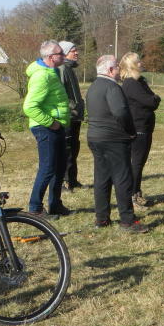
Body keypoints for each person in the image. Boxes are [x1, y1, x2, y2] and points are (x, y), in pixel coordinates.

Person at [86, 55, 148, 233]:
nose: (120, 71)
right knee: (122, 178)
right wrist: (130, 130)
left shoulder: (93, 87)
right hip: (113, 138)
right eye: (117, 68)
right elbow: (120, 111)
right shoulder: (112, 87)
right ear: (110, 70)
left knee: (102, 178)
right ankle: (127, 220)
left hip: (95, 137)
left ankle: (101, 218)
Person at [23, 40, 71, 219]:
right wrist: (51, 123)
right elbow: (30, 107)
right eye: (61, 53)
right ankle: (35, 208)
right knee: (48, 167)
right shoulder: (41, 76)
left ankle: (55, 204)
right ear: (51, 57)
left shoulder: (53, 71)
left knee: (59, 166)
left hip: (56, 126)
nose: (64, 56)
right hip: (45, 128)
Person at [119, 52, 161, 208]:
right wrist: (154, 99)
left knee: (139, 163)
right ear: (132, 66)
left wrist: (154, 99)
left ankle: (136, 192)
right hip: (138, 129)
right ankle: (133, 195)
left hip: (146, 128)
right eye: (138, 62)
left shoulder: (140, 81)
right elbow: (151, 101)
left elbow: (153, 100)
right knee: (136, 163)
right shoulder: (131, 84)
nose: (141, 63)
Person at [57, 41, 85, 192]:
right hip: (67, 116)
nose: (77, 53)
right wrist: (73, 107)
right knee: (66, 150)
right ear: (65, 52)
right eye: (73, 50)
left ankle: (72, 180)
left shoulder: (69, 68)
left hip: (75, 117)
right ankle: (64, 182)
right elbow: (61, 94)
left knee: (74, 148)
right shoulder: (62, 69)